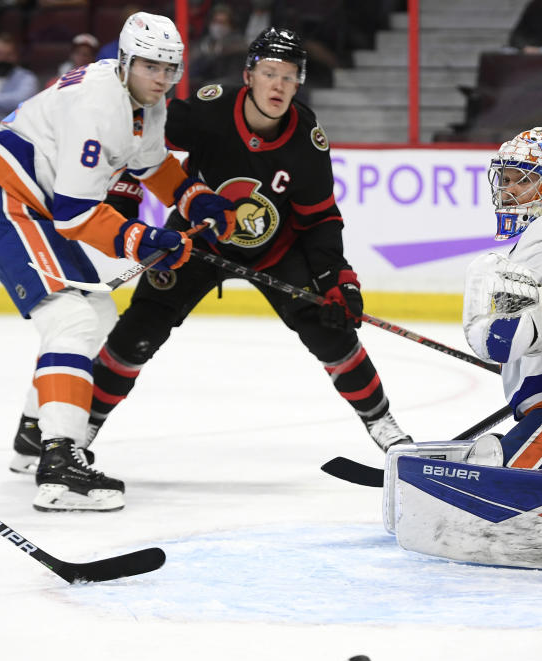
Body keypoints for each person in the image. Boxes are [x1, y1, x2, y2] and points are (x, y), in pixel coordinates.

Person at [86, 28, 412, 454]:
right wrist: (124, 187)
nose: (278, 85)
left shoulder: (307, 141)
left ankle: (382, 423)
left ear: (299, 83)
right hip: (197, 240)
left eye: (289, 76)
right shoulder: (211, 109)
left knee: (331, 335)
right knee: (137, 333)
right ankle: (80, 429)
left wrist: (338, 278)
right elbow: (141, 133)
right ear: (249, 75)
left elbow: (320, 220)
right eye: (269, 73)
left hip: (277, 251)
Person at [0, 12, 238, 512]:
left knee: (97, 315)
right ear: (127, 61)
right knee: (69, 318)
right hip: (10, 204)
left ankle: (35, 435)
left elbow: (152, 165)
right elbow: (74, 215)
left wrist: (198, 201)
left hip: (33, 206)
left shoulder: (142, 99)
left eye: (170, 68)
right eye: (151, 66)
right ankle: (60, 464)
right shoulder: (98, 105)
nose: (161, 78)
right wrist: (145, 240)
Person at [383, 127, 542, 576]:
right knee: (495, 466)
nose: (508, 189)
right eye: (505, 178)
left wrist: (539, 324)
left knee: (487, 494)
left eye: (522, 179)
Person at [189, 4, 248, 86]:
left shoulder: (239, 47)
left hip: (227, 91)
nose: (218, 26)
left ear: (231, 26)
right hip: (204, 90)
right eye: (215, 21)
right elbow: (192, 72)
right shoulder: (204, 44)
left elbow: (236, 79)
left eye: (222, 23)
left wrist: (209, 85)